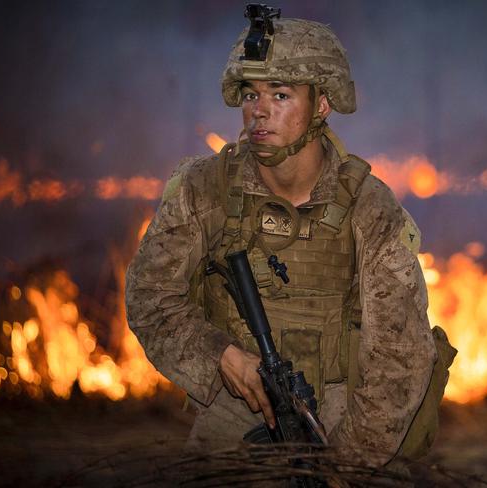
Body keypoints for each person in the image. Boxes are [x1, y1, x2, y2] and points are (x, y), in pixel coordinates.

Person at [125, 6, 441, 474]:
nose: (260, 111)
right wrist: (221, 357)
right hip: (241, 401)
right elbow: (149, 297)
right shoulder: (204, 189)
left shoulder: (369, 208)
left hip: (347, 405)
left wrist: (348, 463)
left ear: (322, 104)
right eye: (251, 94)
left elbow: (401, 355)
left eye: (281, 94)